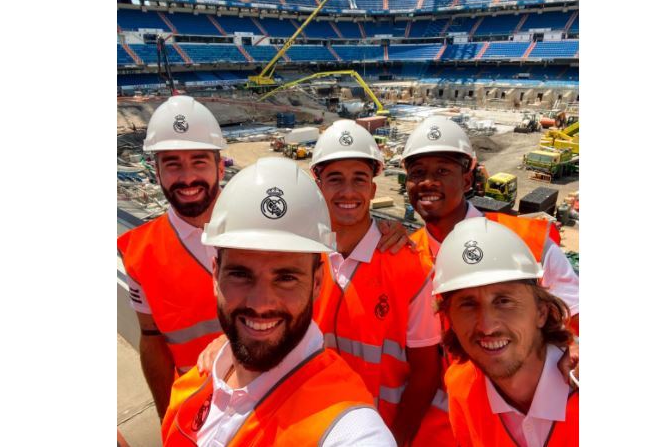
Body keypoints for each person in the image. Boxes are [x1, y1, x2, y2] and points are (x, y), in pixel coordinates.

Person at [161, 157, 395, 445]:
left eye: (285, 278)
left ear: (318, 283)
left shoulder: (345, 427)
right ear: (215, 275)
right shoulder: (195, 381)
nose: (260, 304)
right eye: (240, 274)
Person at [308, 120, 446, 445]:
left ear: (372, 189)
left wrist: (396, 440)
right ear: (319, 185)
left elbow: (426, 374)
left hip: (381, 433)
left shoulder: (411, 267)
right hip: (311, 426)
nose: (348, 192)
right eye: (335, 179)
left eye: (359, 179)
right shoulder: (301, 256)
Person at [401, 116, 579, 333]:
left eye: (443, 171)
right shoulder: (406, 252)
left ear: (466, 181)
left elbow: (575, 321)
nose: (428, 182)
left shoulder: (528, 243)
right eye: (417, 172)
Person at [117, 96, 229, 418]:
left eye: (199, 161)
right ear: (157, 171)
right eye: (173, 164)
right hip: (199, 412)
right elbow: (152, 342)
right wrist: (169, 419)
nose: (187, 178)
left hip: (272, 403)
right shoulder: (140, 252)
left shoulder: (264, 226)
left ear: (220, 166)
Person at [433, 218, 577, 447]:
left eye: (504, 301)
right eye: (468, 304)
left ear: (541, 312)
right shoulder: (461, 386)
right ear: (449, 318)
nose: (487, 326)